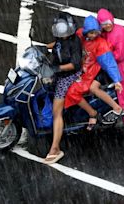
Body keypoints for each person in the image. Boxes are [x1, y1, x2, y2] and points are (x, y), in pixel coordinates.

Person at [65, 15, 123, 130]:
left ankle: (93, 113)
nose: (93, 35)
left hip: (90, 71)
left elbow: (109, 63)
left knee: (72, 91)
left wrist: (117, 80)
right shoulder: (80, 34)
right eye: (91, 33)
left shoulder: (101, 44)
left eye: (96, 33)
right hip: (80, 68)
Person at [43, 13, 82, 164]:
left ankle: (55, 148)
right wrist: (44, 47)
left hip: (68, 76)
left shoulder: (75, 42)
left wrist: (57, 68)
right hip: (58, 71)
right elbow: (57, 45)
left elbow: (75, 64)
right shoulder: (61, 38)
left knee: (56, 112)